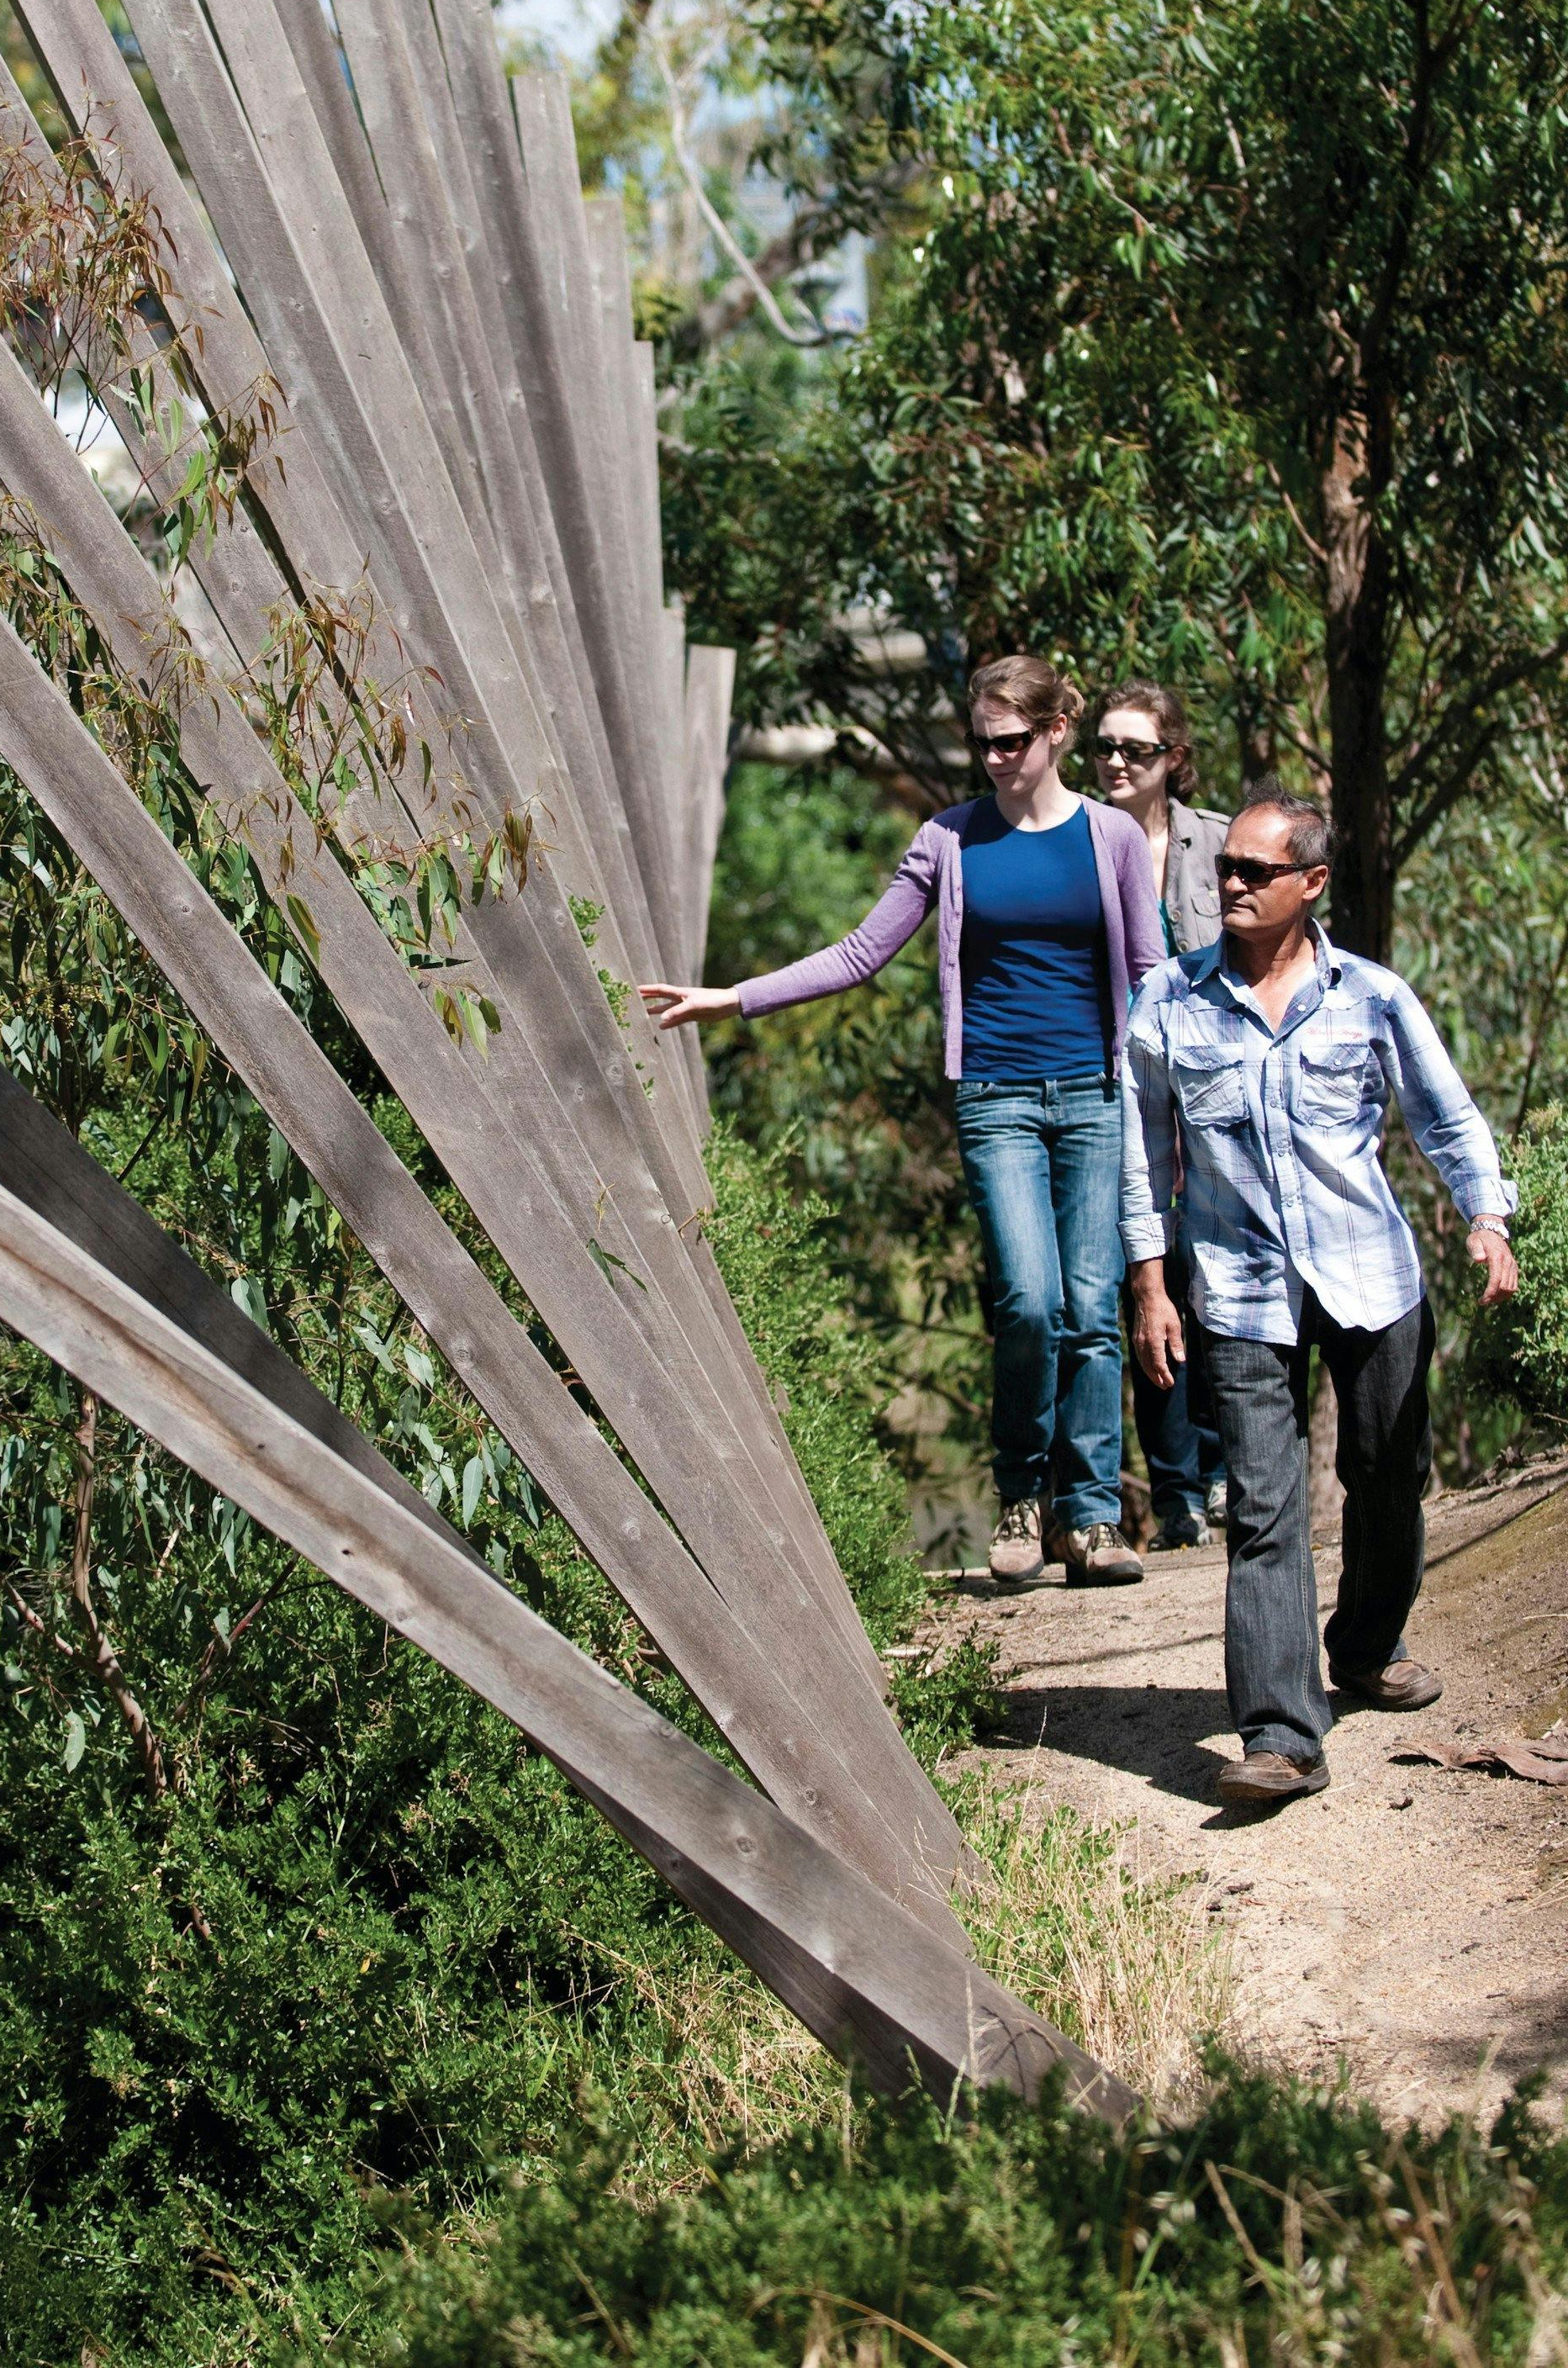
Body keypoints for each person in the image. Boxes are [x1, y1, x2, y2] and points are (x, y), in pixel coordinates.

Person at [641, 653, 1164, 1591]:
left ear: (1056, 733)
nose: (995, 757)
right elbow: (859, 951)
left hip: (1093, 1092)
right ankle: (1020, 1493)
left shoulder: (1113, 836)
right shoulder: (948, 839)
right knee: (1030, 1301)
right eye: (982, 741)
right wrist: (737, 998)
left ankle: (1090, 1517)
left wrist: (1198, 1076)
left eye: (1012, 740)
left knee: (1094, 1308)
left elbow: (1151, 973)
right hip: (996, 1098)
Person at [1122, 781, 1518, 1810]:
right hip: (1238, 1287)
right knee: (1264, 1504)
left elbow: (1444, 1112)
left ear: (1313, 881)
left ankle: (1369, 1643)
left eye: (1257, 869)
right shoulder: (1166, 999)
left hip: (1369, 1274)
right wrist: (1152, 1284)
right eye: (1226, 868)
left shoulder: (1372, 995)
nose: (1234, 883)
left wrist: (1487, 1215)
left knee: (1389, 1472)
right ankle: (1282, 1732)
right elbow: (1142, 1155)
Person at [1091, 682, 1231, 1549]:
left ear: (1173, 758)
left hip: (1212, 1080)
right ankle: (1177, 1488)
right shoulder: (1081, 840)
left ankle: (1223, 1467)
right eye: (1105, 745)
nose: (1113, 761)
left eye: (1135, 749)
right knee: (1148, 1281)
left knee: (1215, 1271)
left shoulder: (1221, 843)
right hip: (1116, 1083)